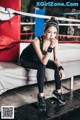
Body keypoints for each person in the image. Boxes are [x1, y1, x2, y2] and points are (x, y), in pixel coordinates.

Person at [20, 17, 66, 112]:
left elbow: (56, 59)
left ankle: (58, 91)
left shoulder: (55, 41)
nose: (51, 35)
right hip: (26, 59)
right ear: (45, 31)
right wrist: (50, 48)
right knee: (42, 65)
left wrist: (61, 68)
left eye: (54, 33)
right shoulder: (37, 41)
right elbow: (43, 62)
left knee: (56, 65)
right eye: (49, 32)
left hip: (38, 59)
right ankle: (41, 96)